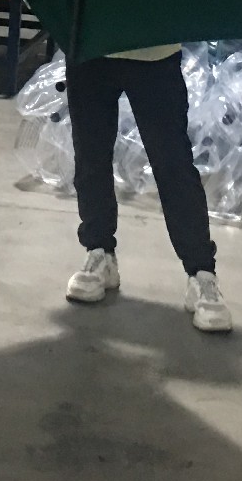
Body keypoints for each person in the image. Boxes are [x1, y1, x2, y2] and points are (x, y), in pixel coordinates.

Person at [62, 44, 231, 333]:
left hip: (154, 51)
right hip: (90, 47)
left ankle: (201, 272)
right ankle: (99, 251)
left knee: (173, 162)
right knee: (90, 155)